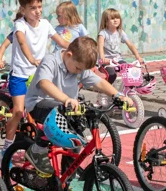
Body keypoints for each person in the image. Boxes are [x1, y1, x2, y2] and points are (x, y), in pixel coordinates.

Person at [23, 37, 133, 176]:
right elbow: (45, 83)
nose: (78, 72)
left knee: (76, 140)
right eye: (77, 68)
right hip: (39, 103)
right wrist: (66, 99)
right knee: (56, 111)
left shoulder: (78, 66)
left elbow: (98, 82)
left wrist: (118, 95)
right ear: (69, 55)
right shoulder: (51, 60)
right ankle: (37, 150)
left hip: (66, 106)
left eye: (81, 70)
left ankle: (65, 181)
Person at [1, 0, 69, 159]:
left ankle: (39, 147)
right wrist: (31, 59)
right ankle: (6, 149)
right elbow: (22, 43)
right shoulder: (20, 25)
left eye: (39, 6)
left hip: (38, 76)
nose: (38, 11)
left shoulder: (45, 24)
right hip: (20, 75)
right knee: (18, 112)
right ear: (23, 9)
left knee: (44, 109)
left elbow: (61, 41)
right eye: (33, 8)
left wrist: (81, 48)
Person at [97, 8, 145, 82]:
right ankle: (106, 90)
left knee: (130, 71)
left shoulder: (120, 32)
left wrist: (138, 57)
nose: (115, 20)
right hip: (106, 61)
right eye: (112, 18)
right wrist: (102, 58)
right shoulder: (103, 33)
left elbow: (130, 45)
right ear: (106, 21)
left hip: (118, 60)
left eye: (117, 18)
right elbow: (100, 47)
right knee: (112, 75)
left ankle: (129, 90)